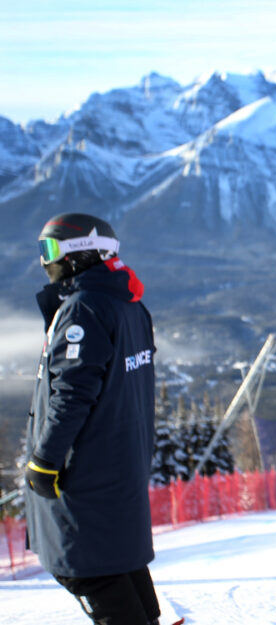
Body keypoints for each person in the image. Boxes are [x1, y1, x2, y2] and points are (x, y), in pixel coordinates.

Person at [25, 213, 161, 625]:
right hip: (119, 472)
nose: (44, 261)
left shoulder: (84, 309)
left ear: (75, 255)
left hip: (85, 477)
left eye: (49, 250)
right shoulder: (129, 306)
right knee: (117, 562)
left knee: (84, 568)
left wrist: (44, 462)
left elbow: (72, 392)